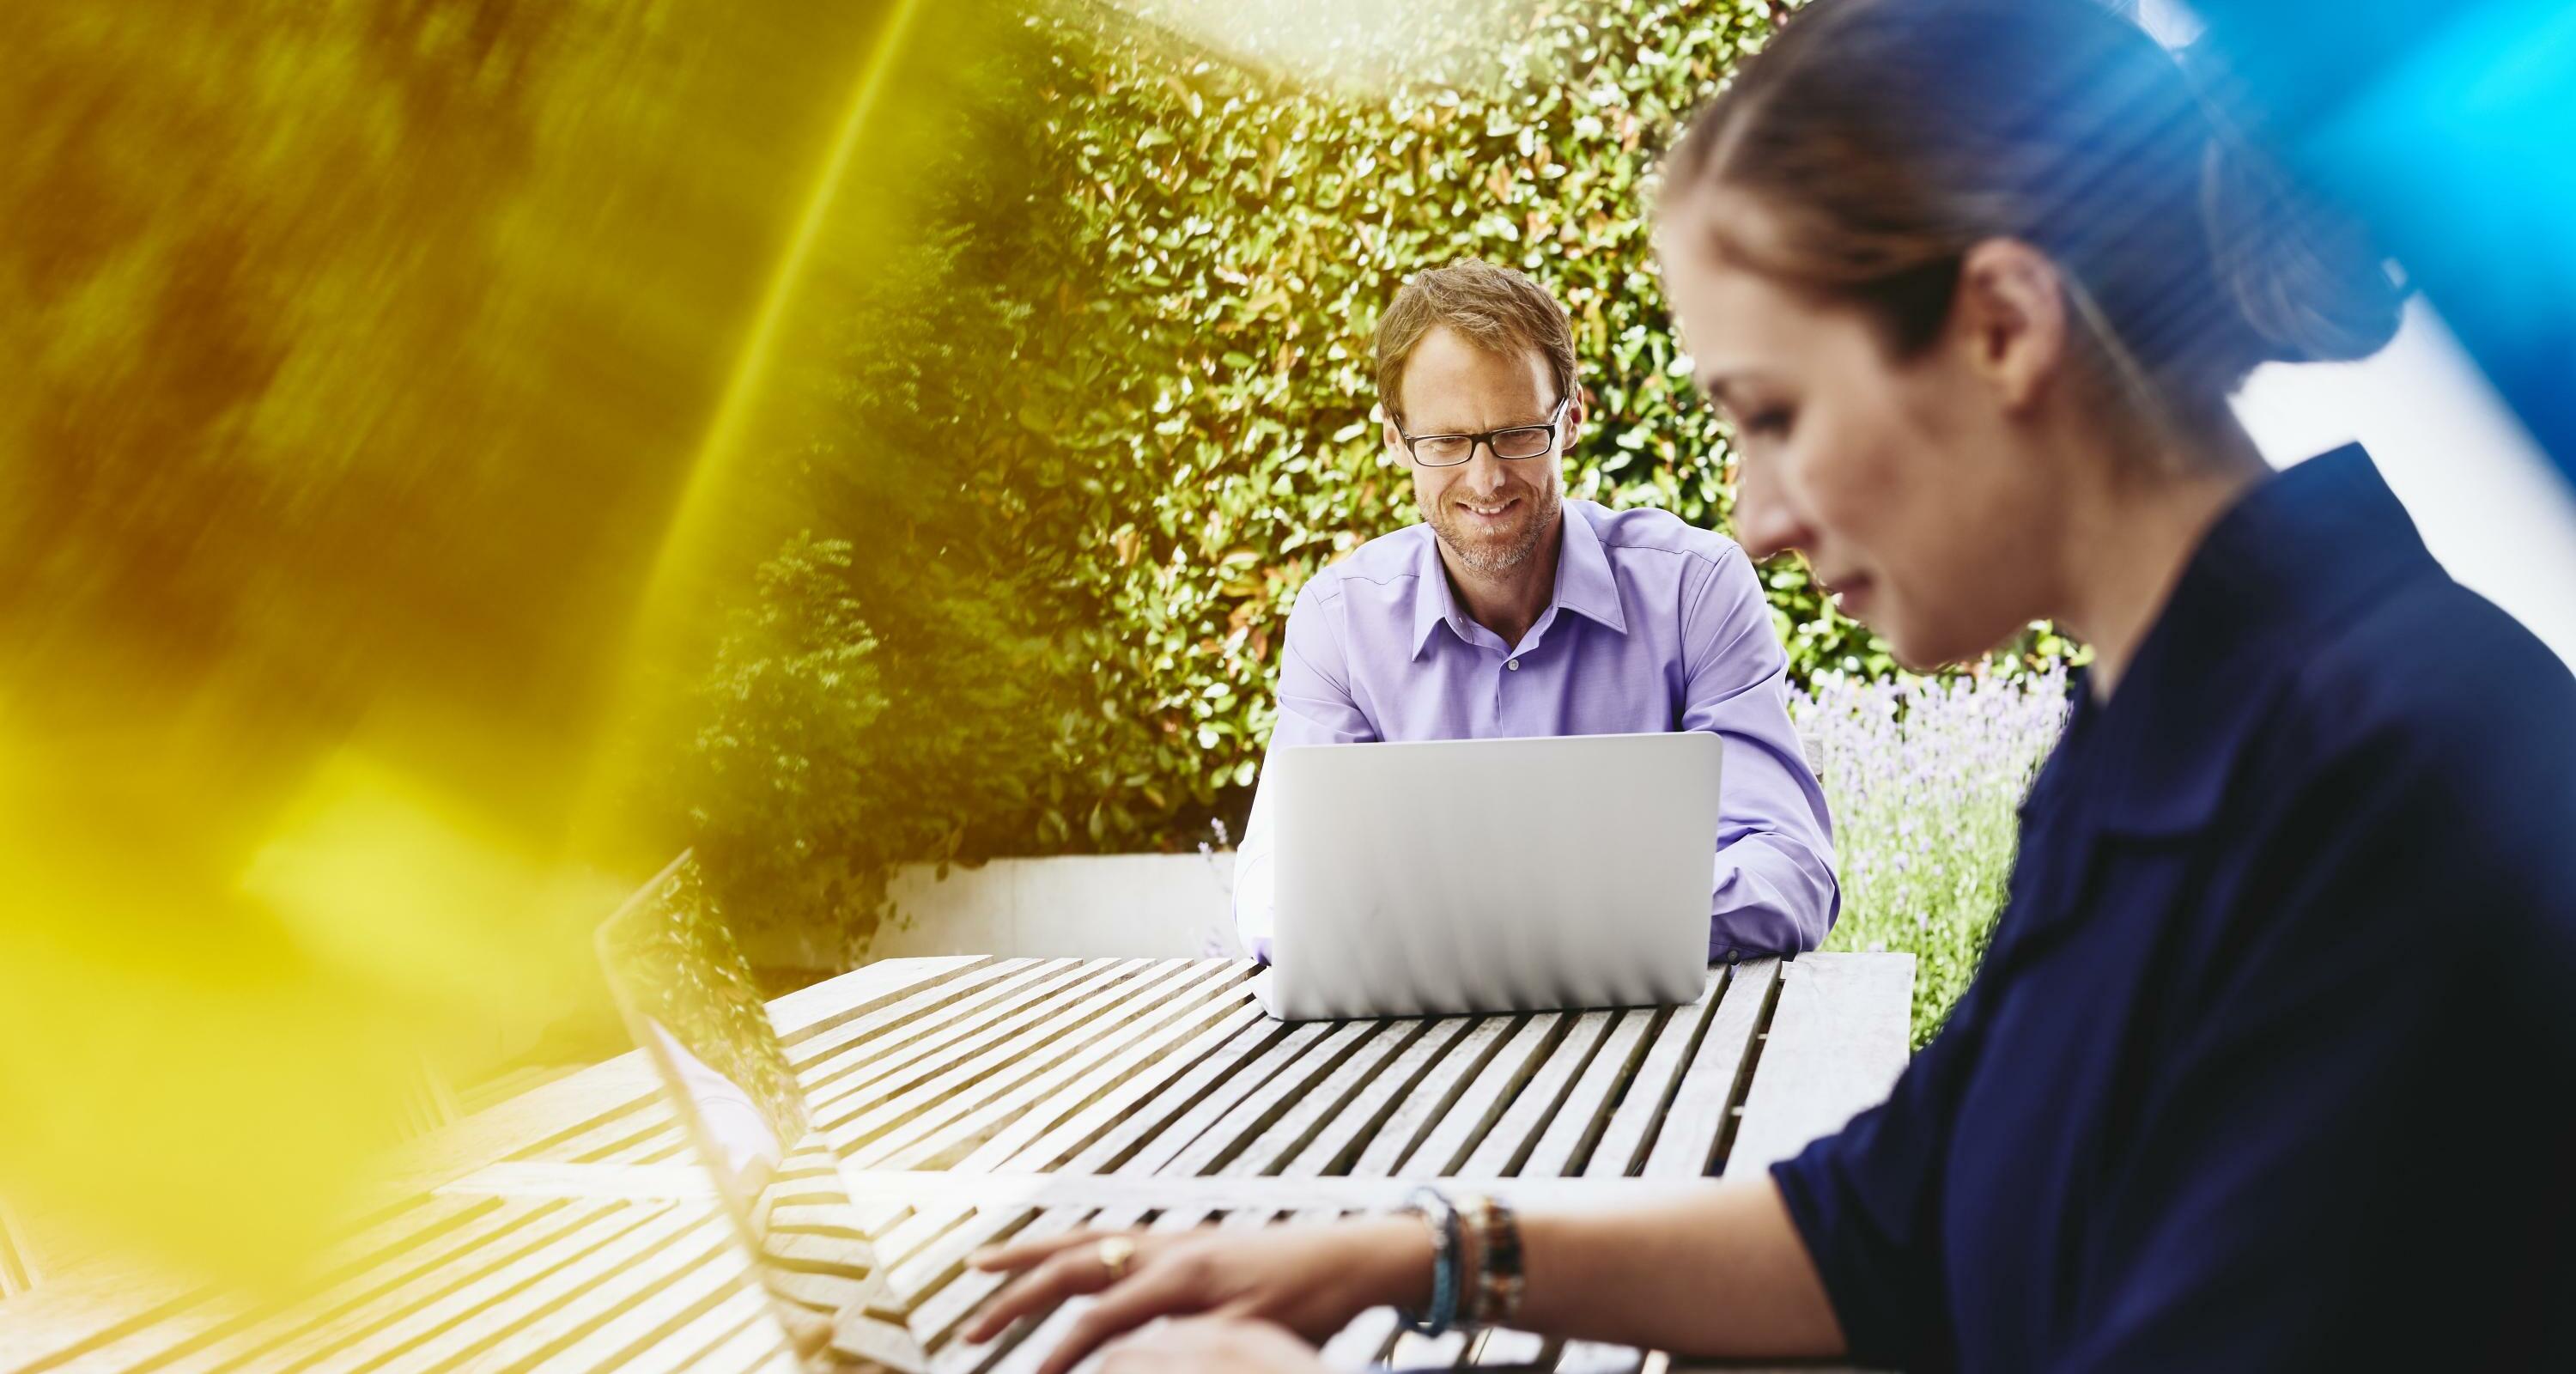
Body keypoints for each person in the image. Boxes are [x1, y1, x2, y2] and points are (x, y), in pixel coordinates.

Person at [963, 1, 2576, 1369]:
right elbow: (1890, 1226)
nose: (1755, 514)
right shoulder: (2161, 737)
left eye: (1774, 413)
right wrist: (1406, 1250)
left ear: (2004, 325)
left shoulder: (2388, 789)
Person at [1229, 259, 1839, 964]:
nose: (1486, 479)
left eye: (1518, 434)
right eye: (1446, 442)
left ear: (1571, 417)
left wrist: (1558, 933)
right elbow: (1276, 890)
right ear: (1397, 440)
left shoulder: (1693, 590)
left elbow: (1792, 869)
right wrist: (1571, 926)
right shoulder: (1340, 623)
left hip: (1660, 1044)